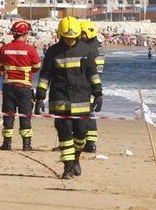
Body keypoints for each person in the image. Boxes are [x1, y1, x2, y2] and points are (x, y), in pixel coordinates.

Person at [34, 17, 102, 179]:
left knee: (80, 134)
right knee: (64, 134)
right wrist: (39, 97)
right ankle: (68, 166)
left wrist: (98, 93)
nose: (69, 40)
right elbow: (45, 76)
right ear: (60, 35)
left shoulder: (86, 51)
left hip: (82, 99)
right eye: (66, 37)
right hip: (60, 98)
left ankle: (76, 158)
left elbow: (92, 73)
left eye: (72, 37)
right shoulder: (53, 52)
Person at [0, 21, 42, 151]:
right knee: (25, 115)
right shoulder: (30, 50)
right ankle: (26, 145)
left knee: (8, 115)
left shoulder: (5, 49)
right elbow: (37, 67)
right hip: (25, 87)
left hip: (9, 86)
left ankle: (6, 143)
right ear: (25, 33)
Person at [80, 20, 105, 153]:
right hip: (92, 84)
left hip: (87, 85)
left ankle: (90, 142)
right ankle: (89, 141)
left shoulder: (91, 49)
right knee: (87, 113)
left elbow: (91, 70)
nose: (80, 36)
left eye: (82, 33)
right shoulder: (96, 46)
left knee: (87, 112)